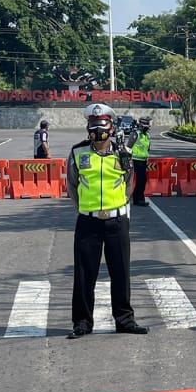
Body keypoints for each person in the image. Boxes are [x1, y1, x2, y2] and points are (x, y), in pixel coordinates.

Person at [65, 103, 147, 338]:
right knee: (84, 274)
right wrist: (85, 208)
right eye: (93, 126)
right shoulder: (78, 152)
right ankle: (82, 323)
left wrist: (118, 205)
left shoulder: (123, 154)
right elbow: (72, 185)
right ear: (87, 128)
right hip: (88, 222)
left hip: (117, 221)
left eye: (103, 125)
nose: (98, 130)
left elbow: (129, 183)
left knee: (120, 272)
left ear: (111, 127)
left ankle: (124, 320)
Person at [130, 116, 152, 206]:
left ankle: (140, 198)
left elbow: (148, 148)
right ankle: (137, 199)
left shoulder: (147, 135)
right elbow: (129, 146)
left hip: (143, 161)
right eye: (146, 124)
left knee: (143, 180)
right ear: (142, 125)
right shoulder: (135, 134)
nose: (148, 126)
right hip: (135, 160)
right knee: (139, 180)